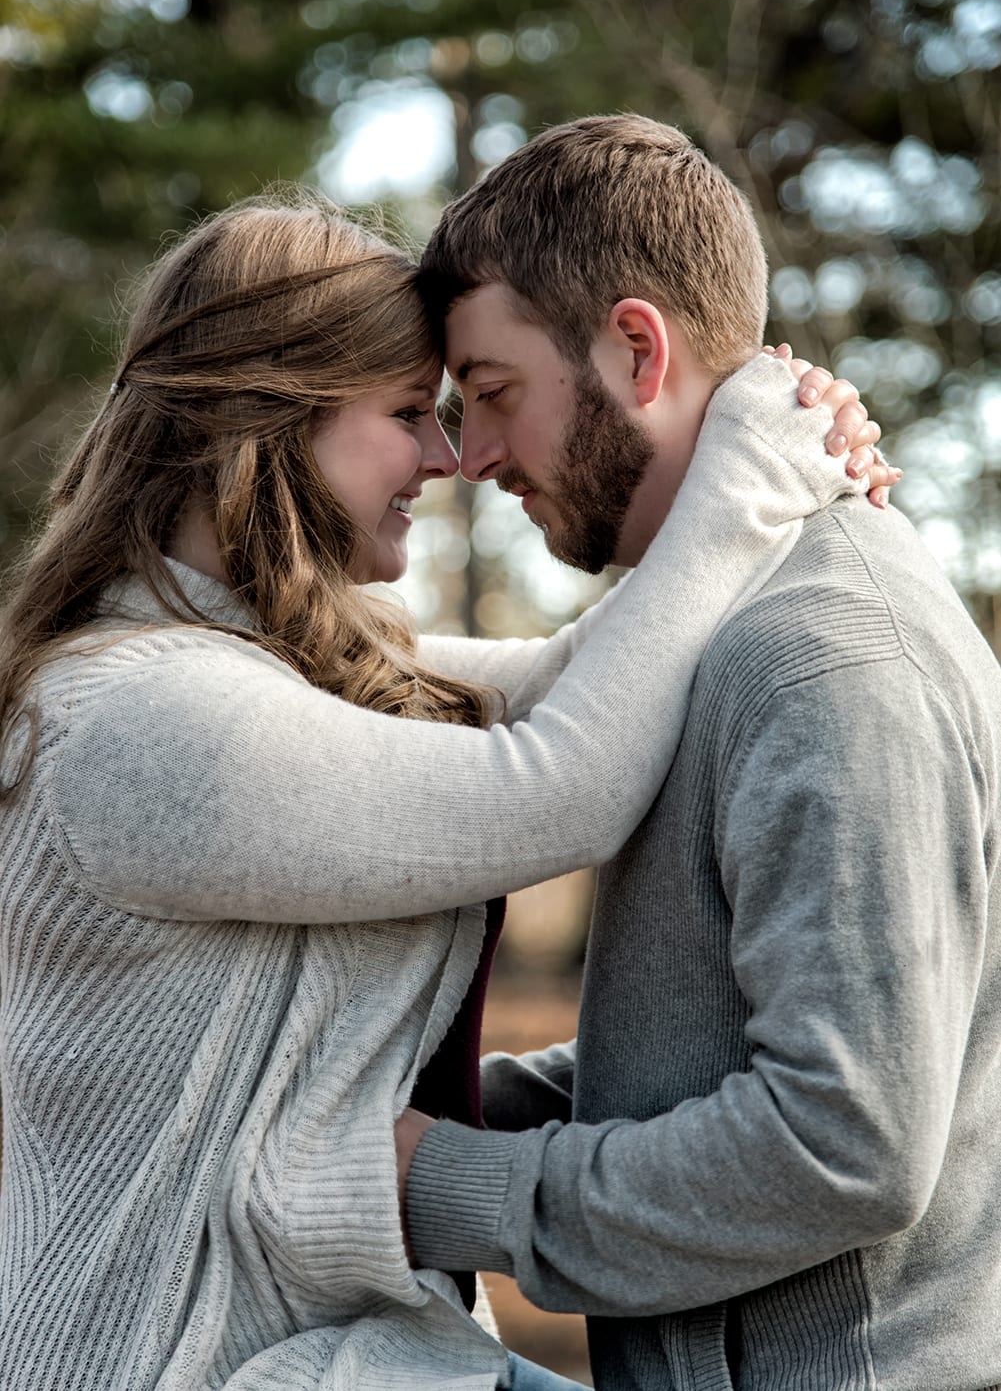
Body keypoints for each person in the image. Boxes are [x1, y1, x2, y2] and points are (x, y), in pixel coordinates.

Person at [0, 190, 886, 1391]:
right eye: (408, 413)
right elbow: (556, 787)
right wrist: (740, 486)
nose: (443, 456)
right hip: (186, 1364)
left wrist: (734, 446)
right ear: (268, 416)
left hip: (340, 1355)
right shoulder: (139, 717)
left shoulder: (262, 661)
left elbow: (565, 682)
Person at [397, 115, 1001, 1391]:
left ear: (634, 347)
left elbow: (845, 1142)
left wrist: (446, 1184)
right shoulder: (710, 624)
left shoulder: (823, 661)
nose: (473, 456)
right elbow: (714, 1045)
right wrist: (453, 1117)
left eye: (494, 392)